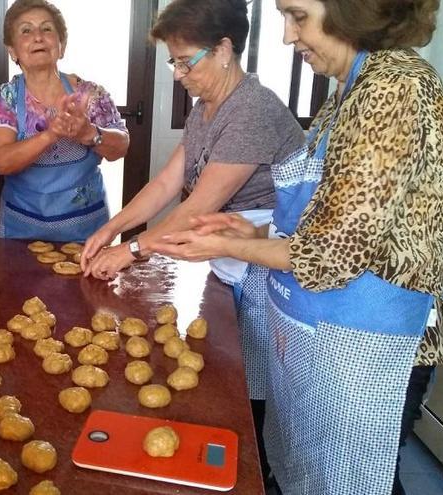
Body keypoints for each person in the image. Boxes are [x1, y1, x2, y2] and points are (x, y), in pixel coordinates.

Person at [150, 0, 443, 493]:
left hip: (369, 341)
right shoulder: (348, 93)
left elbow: (333, 254)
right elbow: (328, 219)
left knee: (355, 482)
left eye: (298, 16)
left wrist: (225, 246)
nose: (287, 37)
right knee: (311, 473)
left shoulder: (394, 88)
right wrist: (251, 234)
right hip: (327, 331)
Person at [82, 0, 303, 477]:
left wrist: (133, 250)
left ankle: (253, 475)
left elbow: (198, 205)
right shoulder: (207, 108)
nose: (178, 73)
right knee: (231, 372)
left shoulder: (252, 110)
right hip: (228, 255)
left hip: (267, 260)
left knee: (258, 389)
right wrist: (112, 226)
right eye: (173, 61)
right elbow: (165, 185)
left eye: (186, 61)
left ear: (224, 50)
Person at [0, 0, 129, 242]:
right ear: (12, 51)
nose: (38, 37)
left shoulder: (90, 94)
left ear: (61, 46)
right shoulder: (5, 99)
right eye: (26, 30)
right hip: (22, 230)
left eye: (47, 29)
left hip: (87, 231)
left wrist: (89, 133)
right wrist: (51, 135)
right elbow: (3, 162)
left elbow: (121, 147)